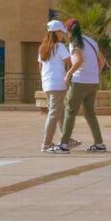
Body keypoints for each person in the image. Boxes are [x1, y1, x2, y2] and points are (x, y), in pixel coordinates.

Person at [49, 19, 107, 153]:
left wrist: (68, 74)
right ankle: (99, 144)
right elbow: (102, 61)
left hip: (79, 82)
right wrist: (93, 73)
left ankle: (63, 145)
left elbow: (79, 61)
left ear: (67, 30)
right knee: (90, 114)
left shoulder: (74, 42)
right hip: (93, 82)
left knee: (70, 112)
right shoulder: (91, 41)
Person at [38, 20, 72, 152]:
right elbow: (69, 62)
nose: (62, 35)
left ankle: (66, 139)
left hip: (47, 84)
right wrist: (68, 76)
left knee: (60, 112)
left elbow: (40, 67)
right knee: (54, 114)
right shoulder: (59, 47)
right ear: (56, 32)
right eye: (60, 32)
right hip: (58, 84)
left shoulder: (42, 47)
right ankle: (47, 144)